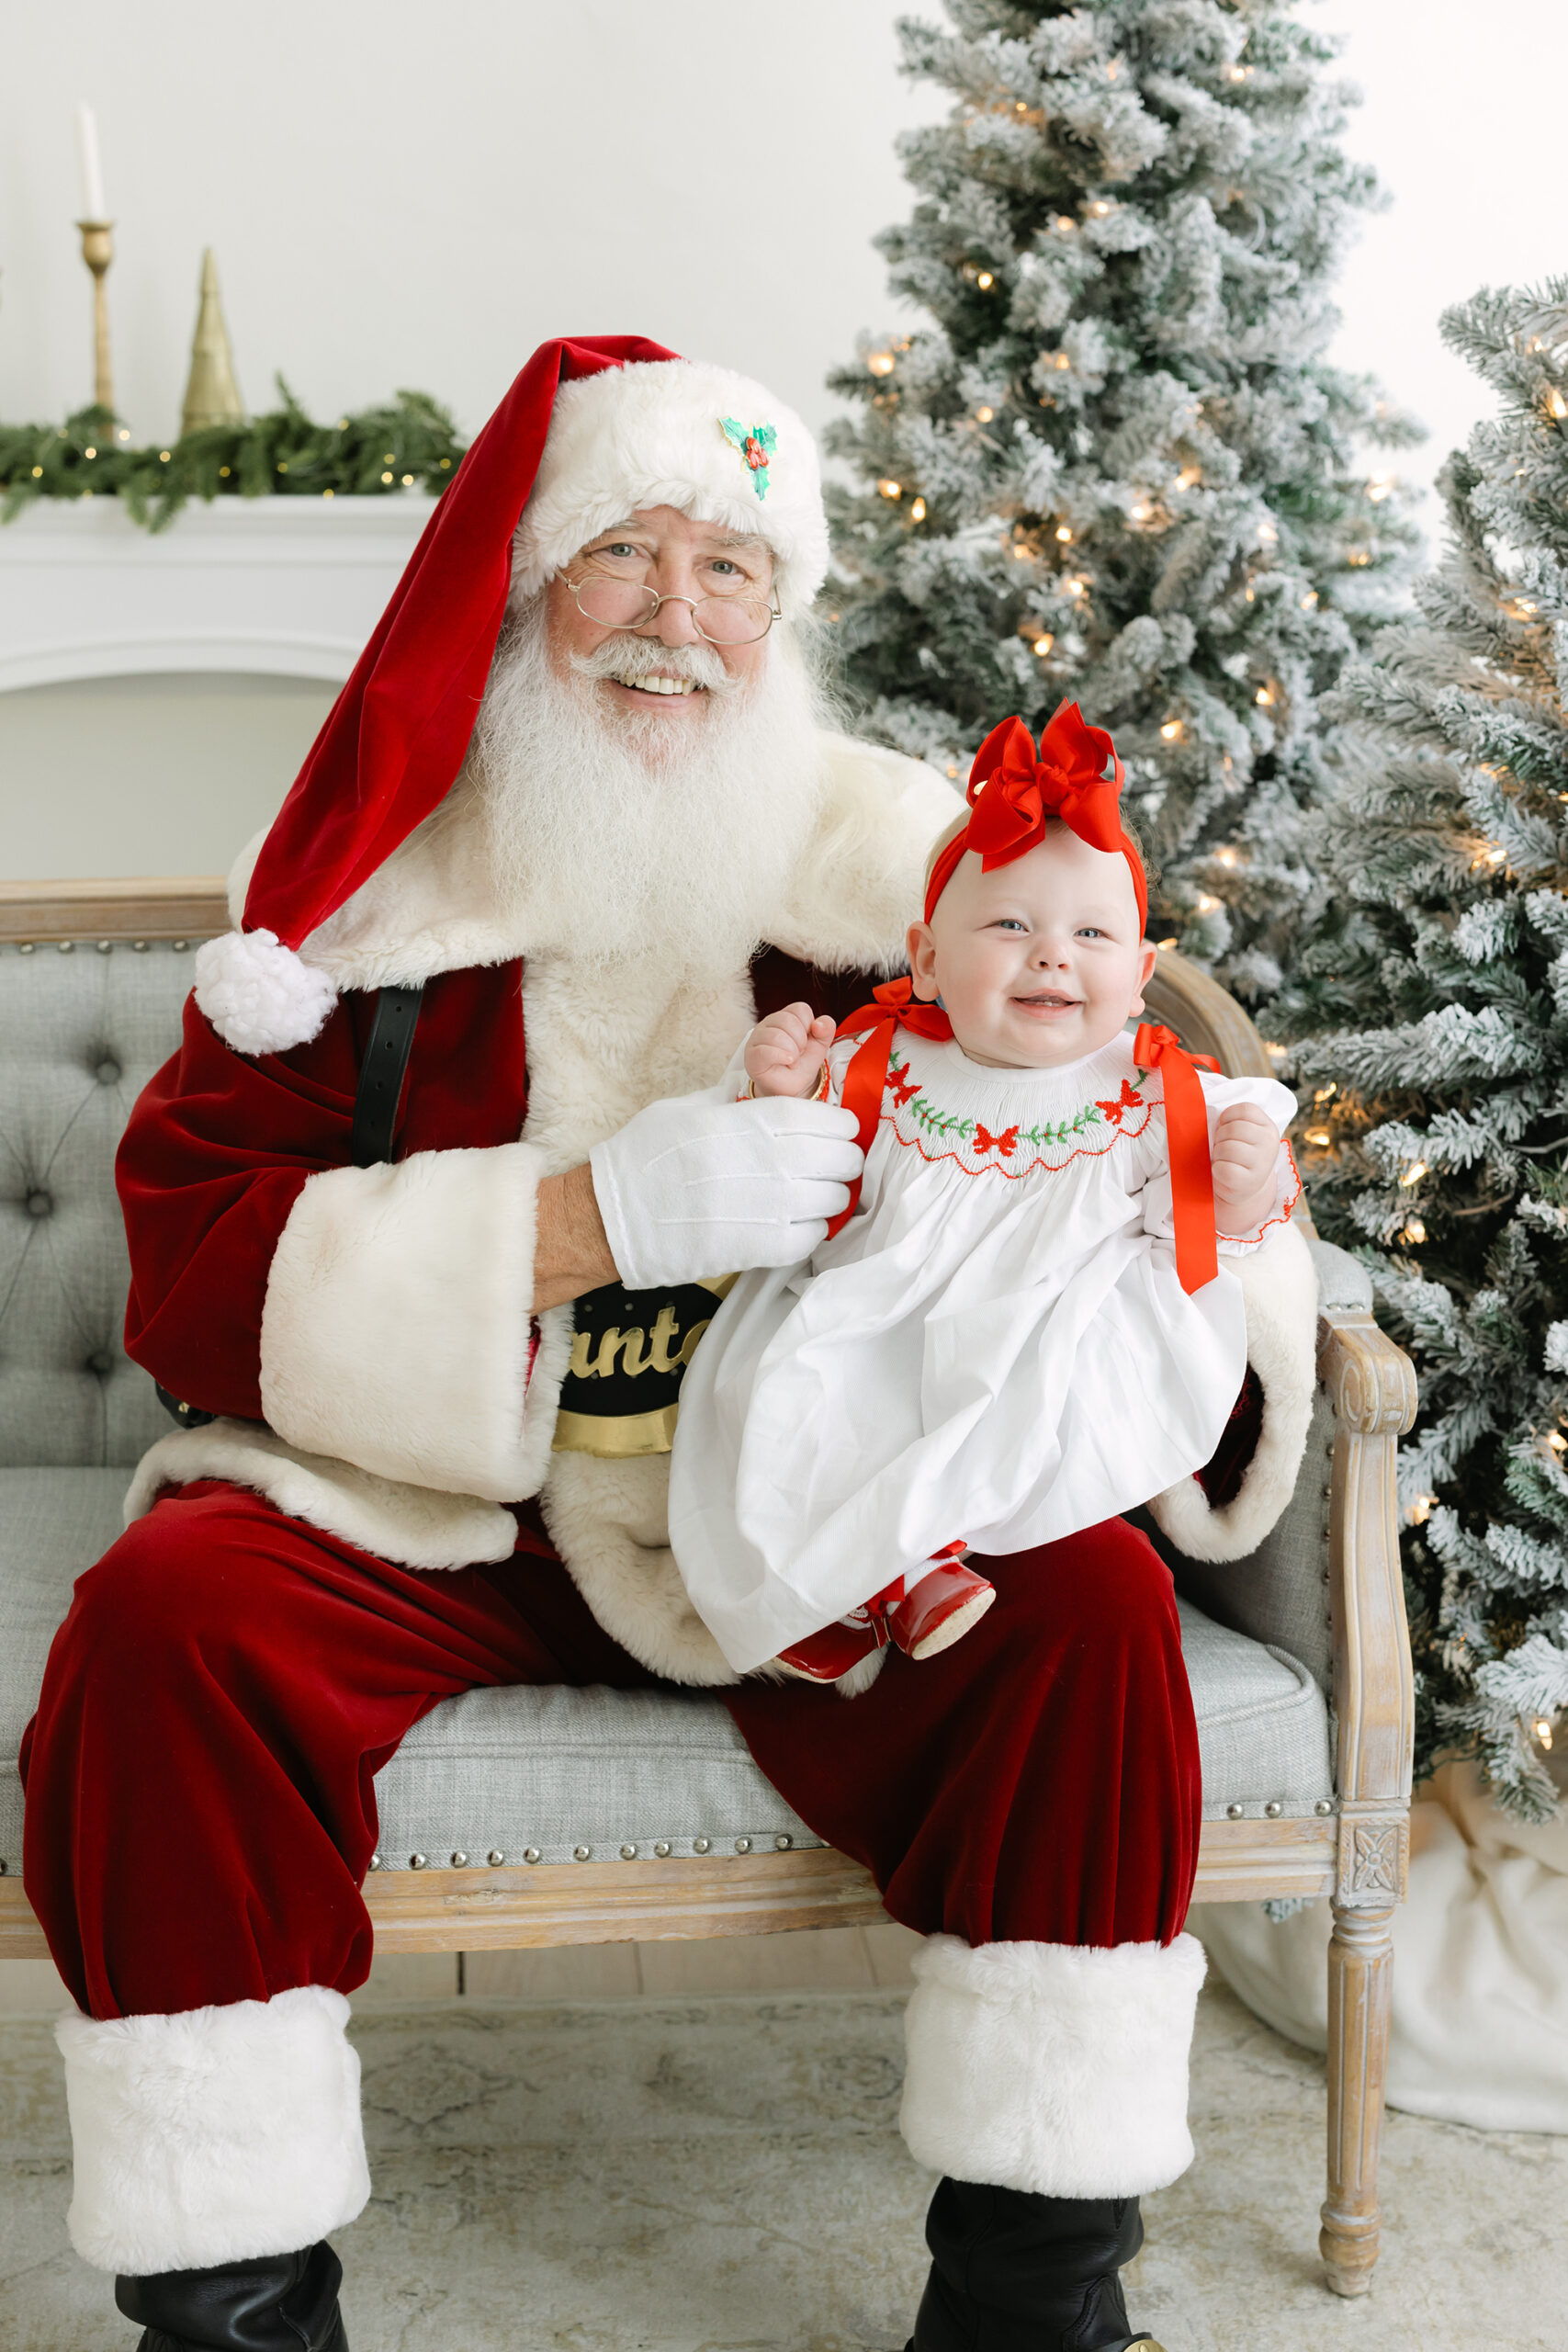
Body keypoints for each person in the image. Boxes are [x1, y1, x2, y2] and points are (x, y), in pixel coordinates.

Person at [18, 338, 1320, 2352]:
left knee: (1078, 1612)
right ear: (526, 583)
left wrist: (1208, 1190)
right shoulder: (363, 896)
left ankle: (1032, 2300)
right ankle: (238, 2301)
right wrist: (590, 1218)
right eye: (623, 553)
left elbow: (1094, 1096)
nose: (677, 620)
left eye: (730, 570)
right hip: (431, 1499)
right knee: (165, 1620)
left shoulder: (910, 879)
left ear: (782, 615)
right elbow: (195, 1254)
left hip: (806, 1480)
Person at [668, 705, 1301, 1684]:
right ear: (926, 958)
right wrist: (781, 1092)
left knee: (1011, 1402)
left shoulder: (1150, 1090)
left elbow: (1216, 1233)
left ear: (1137, 976)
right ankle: (855, 1586)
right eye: (1010, 924)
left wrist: (1244, 1184)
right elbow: (783, 1175)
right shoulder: (883, 1062)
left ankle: (908, 1565)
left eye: (1091, 933)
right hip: (882, 1314)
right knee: (797, 1391)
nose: (1052, 953)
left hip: (1048, 1335)